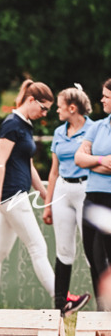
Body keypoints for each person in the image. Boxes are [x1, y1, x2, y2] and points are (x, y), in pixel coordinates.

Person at [0, 79, 56, 308]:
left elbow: (27, 163)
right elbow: (0, 161)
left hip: (18, 194)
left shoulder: (26, 124)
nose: (44, 113)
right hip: (12, 196)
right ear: (31, 100)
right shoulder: (11, 125)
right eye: (43, 107)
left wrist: (43, 191)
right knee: (38, 247)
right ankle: (62, 298)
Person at [42, 86, 93, 314]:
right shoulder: (58, 132)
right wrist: (48, 203)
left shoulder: (95, 129)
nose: (57, 111)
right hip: (63, 190)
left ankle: (105, 305)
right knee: (63, 248)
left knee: (93, 250)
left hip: (86, 189)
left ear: (72, 108)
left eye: (60, 107)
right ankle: (60, 305)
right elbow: (53, 171)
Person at [74, 78, 111, 308]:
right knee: (93, 255)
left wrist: (91, 162)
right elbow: (79, 158)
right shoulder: (98, 126)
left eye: (106, 96)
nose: (102, 99)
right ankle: (102, 310)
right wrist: (101, 160)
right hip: (92, 197)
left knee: (106, 256)